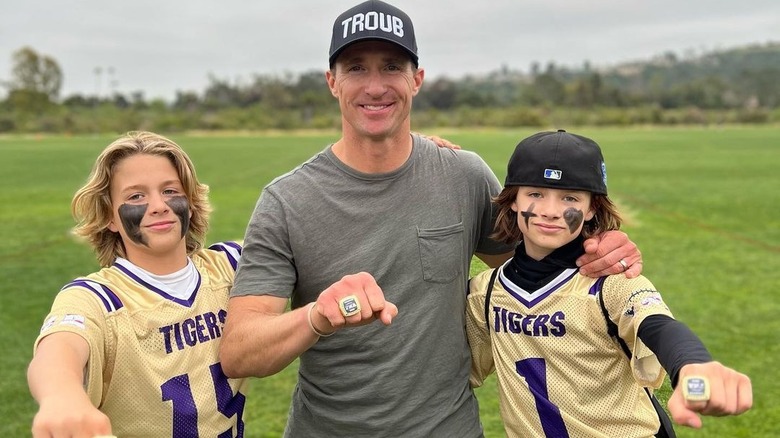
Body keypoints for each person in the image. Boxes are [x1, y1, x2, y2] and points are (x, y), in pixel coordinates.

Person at [219, 1, 641, 436]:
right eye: (356, 68)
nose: (376, 86)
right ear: (332, 82)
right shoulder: (286, 200)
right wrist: (316, 317)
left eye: (392, 67)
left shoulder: (463, 175)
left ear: (416, 80)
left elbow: (537, 270)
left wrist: (601, 251)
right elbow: (239, 351)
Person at [466, 129, 753, 437]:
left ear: (591, 208)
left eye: (570, 198)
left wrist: (693, 364)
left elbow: (658, 326)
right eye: (535, 194)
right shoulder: (486, 292)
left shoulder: (610, 283)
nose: (550, 211)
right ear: (512, 200)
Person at [27, 131, 248, 437]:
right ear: (110, 218)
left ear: (191, 201)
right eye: (135, 196)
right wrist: (61, 395)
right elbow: (59, 347)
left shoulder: (230, 265)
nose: (159, 205)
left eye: (170, 190)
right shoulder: (98, 299)